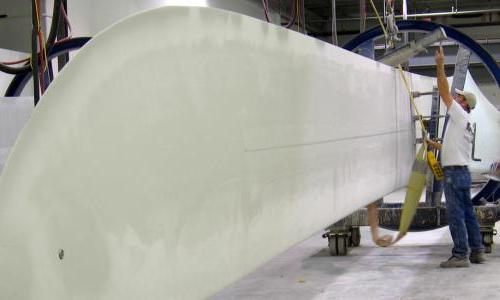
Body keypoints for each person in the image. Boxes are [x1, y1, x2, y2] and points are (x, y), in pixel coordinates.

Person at [426, 46, 485, 268]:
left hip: (453, 174)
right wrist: (434, 145)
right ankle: (477, 251)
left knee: (456, 215)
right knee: (468, 214)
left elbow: (443, 93)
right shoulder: (466, 123)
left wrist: (440, 65)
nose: (455, 98)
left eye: (459, 98)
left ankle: (460, 254)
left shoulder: (459, 113)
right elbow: (453, 146)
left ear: (464, 104)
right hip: (462, 173)